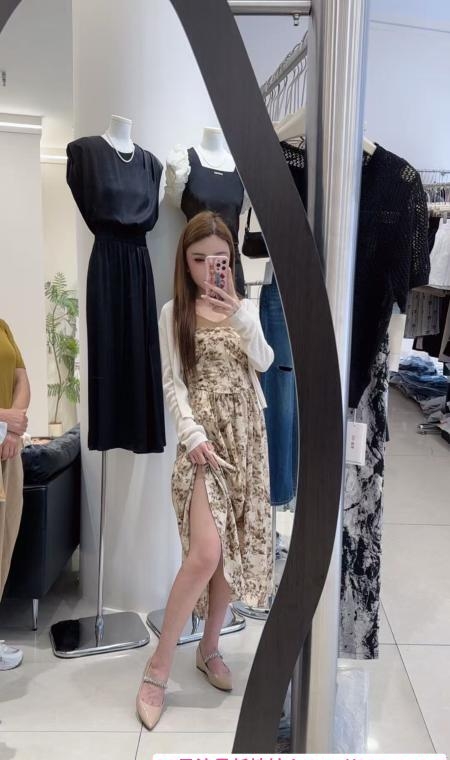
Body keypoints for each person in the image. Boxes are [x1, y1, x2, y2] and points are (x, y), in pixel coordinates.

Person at [136, 211, 274, 729]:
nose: (209, 269)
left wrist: (238, 312)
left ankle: (209, 647)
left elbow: (264, 361)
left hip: (248, 438)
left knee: (230, 555)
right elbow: (173, 382)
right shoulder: (174, 312)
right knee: (206, 553)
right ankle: (158, 667)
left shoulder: (246, 308)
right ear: (185, 261)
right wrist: (191, 435)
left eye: (219, 259)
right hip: (204, 443)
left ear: (230, 261)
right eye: (199, 260)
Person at [0, 319, 30, 670]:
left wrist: (11, 429)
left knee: (4, 544)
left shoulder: (3, 327)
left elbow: (22, 380)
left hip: (8, 451)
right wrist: (2, 418)